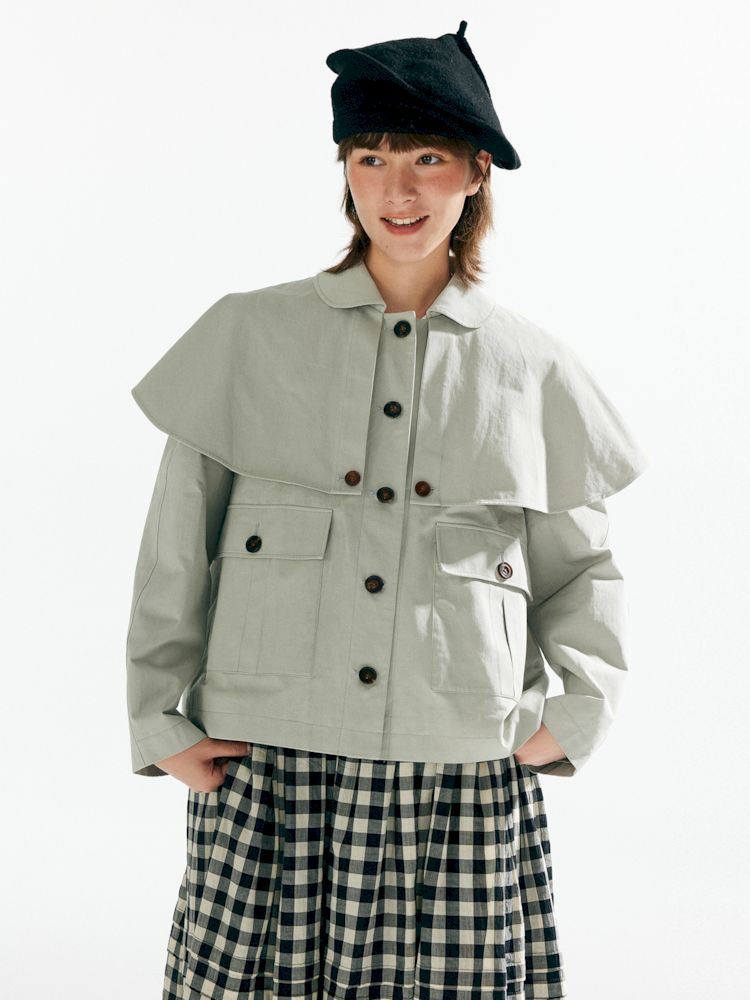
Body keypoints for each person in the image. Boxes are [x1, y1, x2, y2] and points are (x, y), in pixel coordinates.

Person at [125, 20, 648, 1000]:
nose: (398, 190)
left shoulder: (533, 369)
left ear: (477, 172)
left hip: (461, 768)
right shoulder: (247, 335)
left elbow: (583, 568)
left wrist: (574, 716)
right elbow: (176, 542)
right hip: (271, 765)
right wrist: (159, 718)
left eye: (427, 159)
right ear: (345, 172)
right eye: (371, 158)